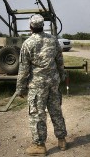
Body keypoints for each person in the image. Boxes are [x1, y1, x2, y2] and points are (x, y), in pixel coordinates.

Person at [16, 14, 68, 156]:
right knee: (56, 110)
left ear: (30, 27)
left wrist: (20, 88)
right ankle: (62, 140)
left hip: (37, 86)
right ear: (42, 26)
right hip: (53, 82)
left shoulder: (28, 43)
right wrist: (62, 76)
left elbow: (23, 69)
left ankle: (39, 146)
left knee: (38, 114)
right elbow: (59, 60)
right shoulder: (53, 40)